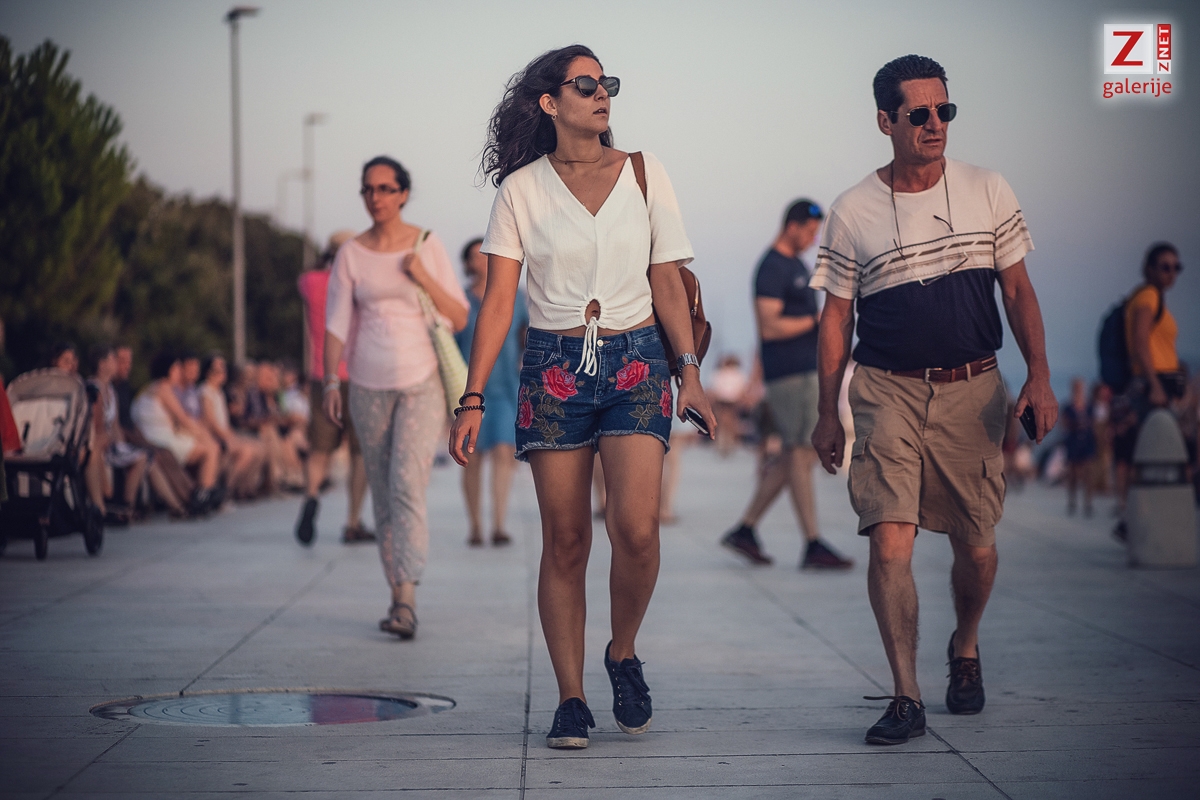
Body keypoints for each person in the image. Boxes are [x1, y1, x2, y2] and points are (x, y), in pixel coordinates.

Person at [448, 45, 716, 751]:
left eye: (608, 84)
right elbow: (498, 300)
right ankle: (571, 698)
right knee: (565, 540)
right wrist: (472, 398)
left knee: (637, 530)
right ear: (550, 102)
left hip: (637, 361)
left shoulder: (645, 172)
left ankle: (622, 652)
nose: (603, 95)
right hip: (553, 368)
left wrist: (689, 371)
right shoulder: (521, 191)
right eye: (587, 84)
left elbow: (668, 278)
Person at [809, 54, 1057, 745]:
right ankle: (906, 695)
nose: (934, 123)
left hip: (972, 389)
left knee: (977, 547)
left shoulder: (987, 189)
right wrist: (827, 413)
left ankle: (965, 644)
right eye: (918, 113)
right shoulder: (853, 209)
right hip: (885, 390)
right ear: (885, 121)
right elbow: (836, 318)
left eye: (944, 110)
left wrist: (1039, 375)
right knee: (890, 538)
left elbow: (1018, 291)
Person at [324, 155, 469, 639]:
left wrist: (421, 276)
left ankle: (407, 596)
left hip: (421, 380)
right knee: (383, 491)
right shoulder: (351, 254)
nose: (376, 197)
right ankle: (395, 591)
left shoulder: (426, 244)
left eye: (386, 188)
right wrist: (330, 381)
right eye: (368, 189)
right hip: (366, 384)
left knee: (406, 483)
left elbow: (459, 316)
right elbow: (336, 323)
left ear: (403, 194)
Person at [721, 200, 853, 570]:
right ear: (791, 226)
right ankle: (812, 542)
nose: (813, 239)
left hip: (804, 372)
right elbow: (769, 326)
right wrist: (816, 320)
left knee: (797, 455)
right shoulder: (772, 267)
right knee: (798, 452)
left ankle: (746, 529)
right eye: (809, 232)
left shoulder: (796, 265)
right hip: (789, 375)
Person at [295, 230, 373, 546]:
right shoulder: (359, 283)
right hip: (357, 374)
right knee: (359, 452)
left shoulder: (309, 282)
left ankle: (311, 495)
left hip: (321, 375)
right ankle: (352, 521)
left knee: (320, 449)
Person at [454, 237, 527, 547]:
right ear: (467, 263)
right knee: (471, 457)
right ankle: (474, 525)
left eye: (484, 255)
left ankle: (499, 524)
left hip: (506, 388)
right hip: (469, 391)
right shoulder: (459, 300)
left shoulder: (517, 298)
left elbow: (526, 335)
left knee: (503, 452)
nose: (481, 260)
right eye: (474, 256)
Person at [132, 350, 224, 515]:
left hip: (157, 436)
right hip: (160, 438)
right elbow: (182, 419)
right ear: (168, 370)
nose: (179, 372)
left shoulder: (152, 387)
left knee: (208, 447)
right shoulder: (163, 388)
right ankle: (203, 495)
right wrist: (203, 436)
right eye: (176, 369)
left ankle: (201, 493)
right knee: (210, 450)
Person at [85, 345, 150, 524]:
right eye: (113, 360)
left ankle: (126, 506)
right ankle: (108, 507)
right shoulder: (94, 389)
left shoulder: (111, 390)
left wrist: (121, 445)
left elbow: (115, 426)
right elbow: (97, 427)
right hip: (98, 442)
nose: (116, 364)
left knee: (140, 457)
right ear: (102, 364)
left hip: (109, 442)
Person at [198, 354, 266, 500]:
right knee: (247, 452)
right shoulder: (205, 392)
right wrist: (230, 438)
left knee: (259, 448)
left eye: (224, 370)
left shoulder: (219, 392)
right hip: (215, 437)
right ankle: (227, 490)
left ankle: (244, 488)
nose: (223, 374)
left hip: (224, 434)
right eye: (218, 371)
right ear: (208, 372)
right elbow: (211, 423)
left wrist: (233, 436)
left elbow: (225, 424)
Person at [1061, 377, 1097, 517]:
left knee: (1088, 473)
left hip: (1087, 441)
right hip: (1073, 441)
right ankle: (1073, 500)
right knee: (1073, 474)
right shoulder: (1068, 407)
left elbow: (1094, 423)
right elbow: (1064, 424)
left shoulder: (1089, 406)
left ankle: (1088, 502)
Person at [709, 354, 748, 457]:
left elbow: (742, 389)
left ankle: (729, 443)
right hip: (722, 401)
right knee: (722, 423)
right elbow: (714, 388)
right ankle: (722, 443)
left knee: (730, 424)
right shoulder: (720, 373)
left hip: (732, 401)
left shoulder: (737, 374)